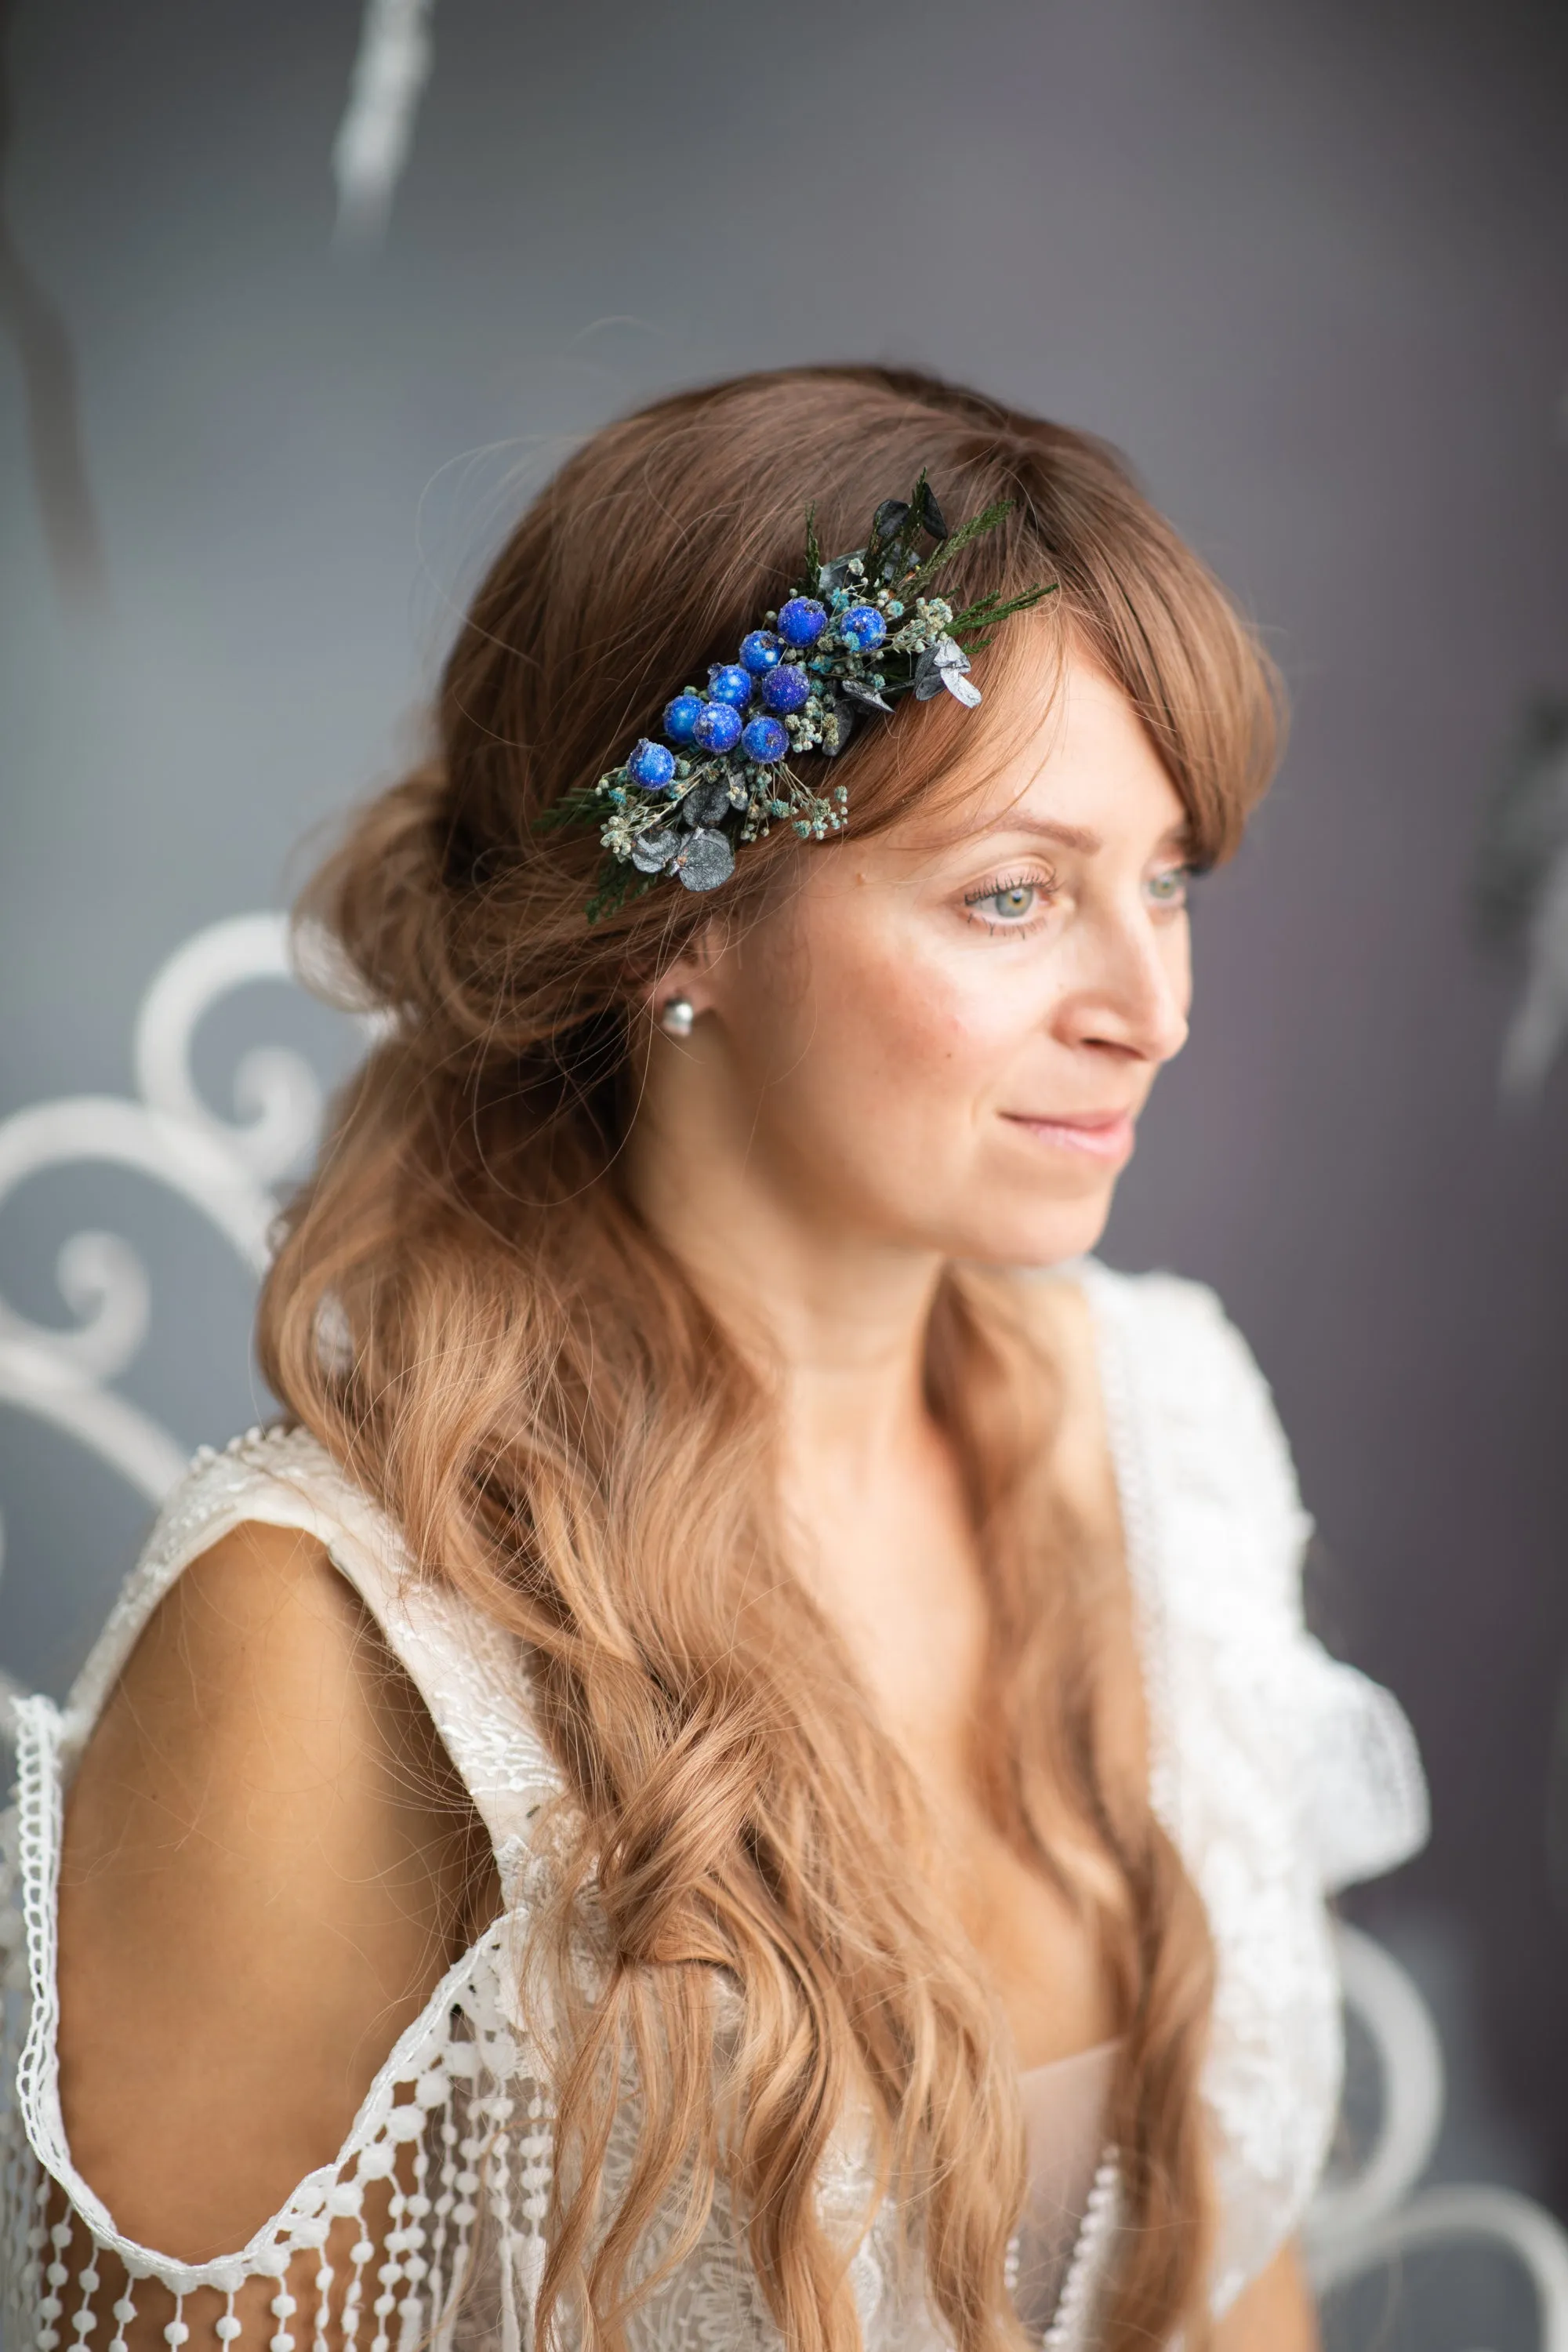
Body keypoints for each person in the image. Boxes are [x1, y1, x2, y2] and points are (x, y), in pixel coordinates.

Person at [1, 366, 1426, 2352]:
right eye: (1015, 894)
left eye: (1165, 879)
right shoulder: (328, 1646)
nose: (1149, 1005)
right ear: (683, 920)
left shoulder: (1167, 1430)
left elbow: (1225, 2265)